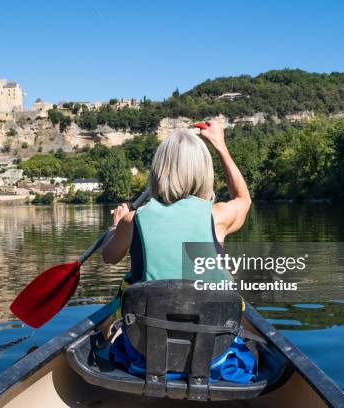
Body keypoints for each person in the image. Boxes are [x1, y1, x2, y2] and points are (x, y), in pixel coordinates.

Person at [101, 119, 255, 383]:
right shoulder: (217, 217)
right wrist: (220, 145)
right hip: (213, 356)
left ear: (159, 171)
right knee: (254, 349)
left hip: (146, 355)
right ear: (203, 172)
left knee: (113, 331)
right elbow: (244, 199)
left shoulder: (133, 220)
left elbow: (109, 256)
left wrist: (115, 227)